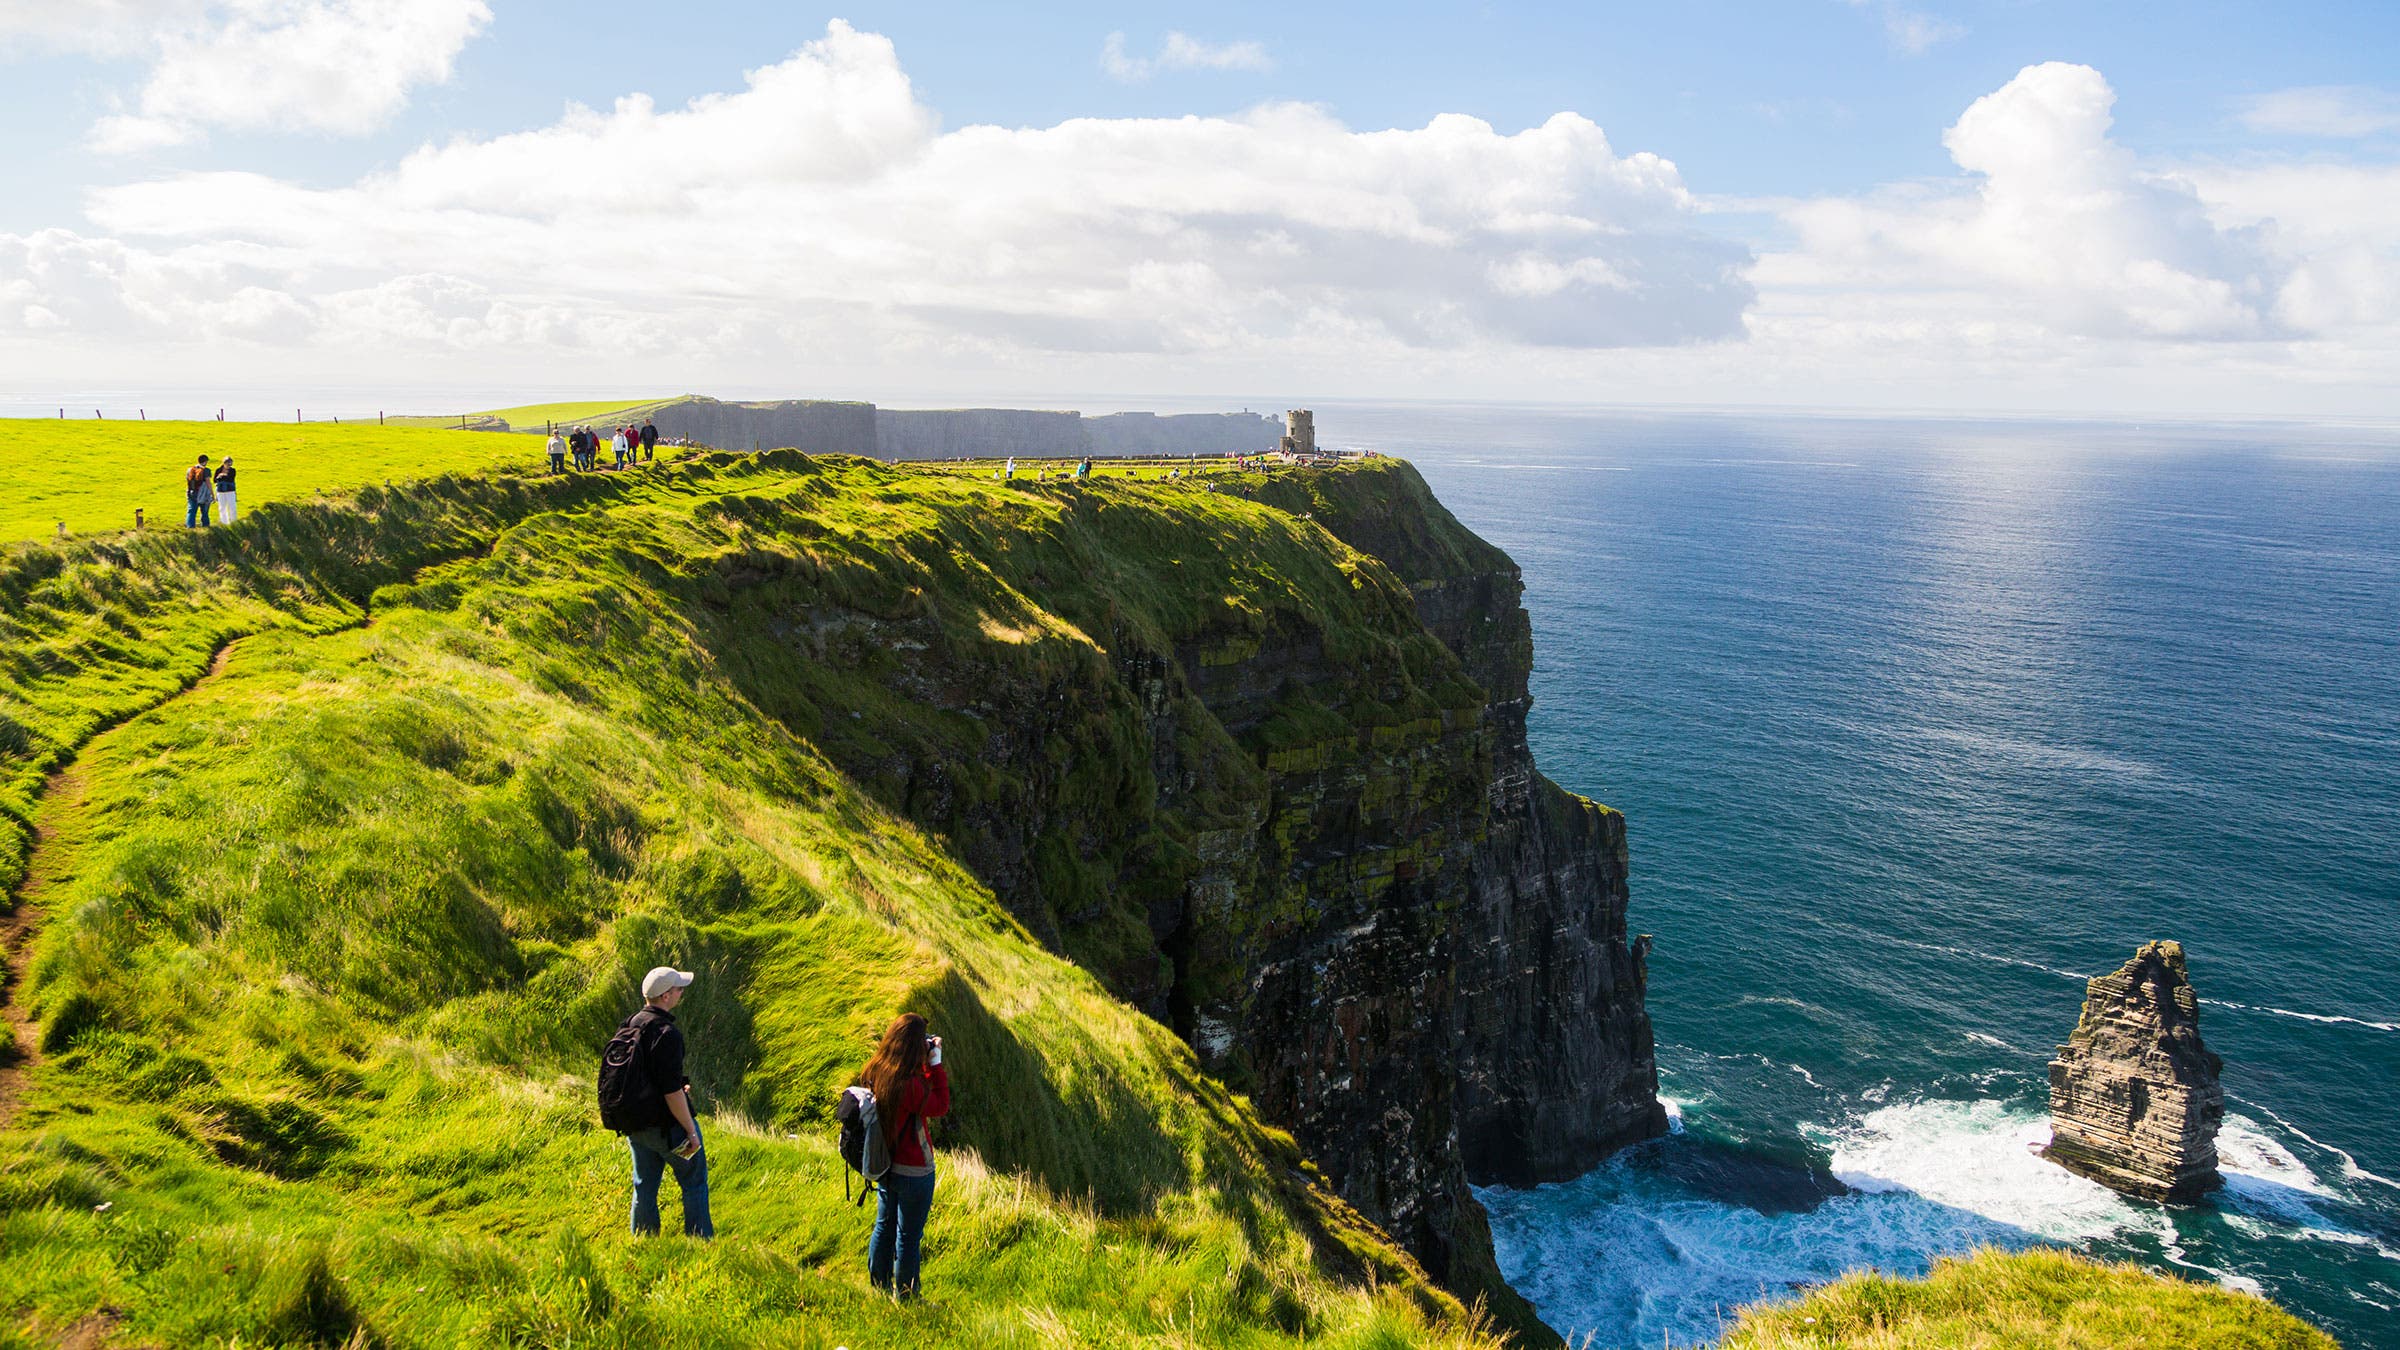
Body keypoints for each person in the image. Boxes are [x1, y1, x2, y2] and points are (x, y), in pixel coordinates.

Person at [856, 1012, 950, 1298]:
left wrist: (922, 1063)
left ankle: (879, 1288)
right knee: (908, 1238)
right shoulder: (908, 1085)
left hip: (886, 1164)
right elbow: (940, 1105)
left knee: (884, 1227)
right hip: (914, 1170)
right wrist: (935, 1064)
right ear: (913, 1047)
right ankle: (907, 1298)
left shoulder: (876, 1070)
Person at [615, 966, 713, 1238]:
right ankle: (700, 1243)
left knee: (644, 1186)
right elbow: (671, 1093)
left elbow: (644, 1074)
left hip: (636, 1123)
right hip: (667, 1127)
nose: (682, 992)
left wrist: (675, 1085)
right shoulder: (667, 1033)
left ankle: (644, 1240)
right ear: (666, 996)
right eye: (679, 989)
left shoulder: (630, 1024)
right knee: (694, 1181)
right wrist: (690, 1132)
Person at [184, 454, 214, 528]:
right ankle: (205, 526)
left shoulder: (190, 469)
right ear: (205, 462)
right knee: (204, 511)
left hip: (191, 492)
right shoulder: (206, 470)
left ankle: (190, 527)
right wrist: (212, 494)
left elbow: (187, 480)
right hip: (203, 493)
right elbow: (208, 483)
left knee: (191, 510)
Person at [213, 456, 238, 523]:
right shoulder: (218, 470)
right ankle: (224, 522)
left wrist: (222, 476)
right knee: (222, 508)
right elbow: (215, 480)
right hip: (220, 491)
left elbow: (231, 479)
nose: (229, 466)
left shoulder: (232, 470)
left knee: (232, 507)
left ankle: (234, 522)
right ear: (224, 463)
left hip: (230, 490)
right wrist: (221, 476)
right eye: (228, 464)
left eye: (230, 464)